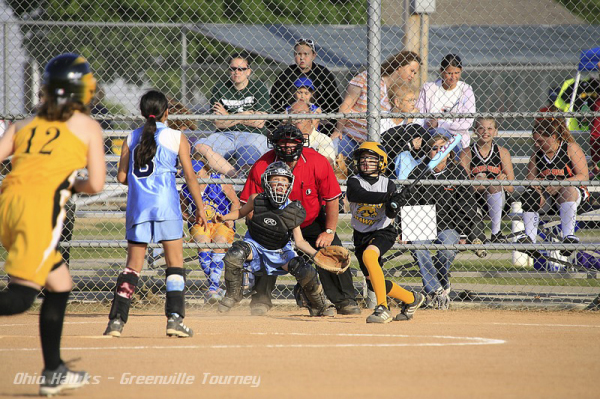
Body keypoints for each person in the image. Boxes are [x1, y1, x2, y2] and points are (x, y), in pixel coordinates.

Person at [0, 53, 105, 395]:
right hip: (38, 212)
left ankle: (53, 371)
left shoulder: (23, 123)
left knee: (59, 283)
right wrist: (72, 185)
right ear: (84, 92)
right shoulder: (88, 126)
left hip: (7, 204)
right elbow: (97, 185)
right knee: (20, 298)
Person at [104, 90, 208, 338]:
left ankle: (116, 322)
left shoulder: (131, 136)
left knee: (132, 267)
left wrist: (143, 183)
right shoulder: (176, 136)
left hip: (138, 206)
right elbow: (190, 177)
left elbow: (121, 176)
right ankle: (174, 319)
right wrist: (200, 208)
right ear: (167, 112)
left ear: (142, 112)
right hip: (166, 206)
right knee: (175, 264)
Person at [239, 124, 359, 315]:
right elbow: (249, 203)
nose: (288, 146)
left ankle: (344, 300)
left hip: (310, 221)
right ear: (274, 144)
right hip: (276, 222)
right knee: (265, 246)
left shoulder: (317, 161)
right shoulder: (263, 164)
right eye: (283, 143)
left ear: (301, 143)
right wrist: (260, 230)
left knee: (331, 249)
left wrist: (329, 231)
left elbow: (332, 198)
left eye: (292, 142)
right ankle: (260, 299)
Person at [216, 161, 335, 317]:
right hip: (255, 246)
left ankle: (319, 305)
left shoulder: (292, 209)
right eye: (275, 180)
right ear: (267, 182)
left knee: (305, 270)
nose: (280, 184)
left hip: (279, 251)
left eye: (284, 181)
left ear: (289, 185)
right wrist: (224, 217)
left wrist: (317, 255)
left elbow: (299, 241)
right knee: (235, 253)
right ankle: (233, 295)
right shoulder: (256, 199)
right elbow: (240, 213)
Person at [347, 142, 425, 323]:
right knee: (372, 282)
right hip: (361, 234)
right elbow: (359, 195)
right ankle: (411, 299)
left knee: (369, 256)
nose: (366, 163)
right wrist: (387, 198)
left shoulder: (388, 184)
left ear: (381, 162)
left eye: (371, 159)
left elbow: (390, 212)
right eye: (363, 159)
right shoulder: (353, 181)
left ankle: (382, 308)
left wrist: (395, 203)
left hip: (383, 231)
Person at [406, 134, 485, 309]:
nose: (439, 152)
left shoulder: (457, 173)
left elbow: (466, 204)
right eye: (435, 148)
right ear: (428, 152)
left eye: (444, 148)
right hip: (422, 224)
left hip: (449, 225)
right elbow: (409, 202)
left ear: (449, 153)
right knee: (419, 245)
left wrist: (464, 232)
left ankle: (439, 280)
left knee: (447, 248)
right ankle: (436, 291)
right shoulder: (419, 172)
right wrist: (405, 230)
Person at [517, 117, 589, 256]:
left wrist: (560, 184)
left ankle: (568, 238)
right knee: (530, 195)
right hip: (548, 197)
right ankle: (529, 240)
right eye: (535, 141)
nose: (536, 145)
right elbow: (530, 179)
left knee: (566, 190)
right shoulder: (536, 155)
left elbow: (583, 176)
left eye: (540, 141)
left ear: (553, 137)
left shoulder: (569, 148)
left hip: (573, 195)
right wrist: (537, 185)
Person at [332, 50, 422, 157]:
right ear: (400, 66)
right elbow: (347, 105)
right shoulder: (367, 78)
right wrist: (338, 129)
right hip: (351, 136)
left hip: (378, 144)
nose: (412, 76)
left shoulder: (402, 94)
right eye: (411, 70)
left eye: (415, 73)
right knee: (330, 151)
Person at [194, 53, 270, 177]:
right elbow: (218, 123)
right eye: (233, 68)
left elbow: (259, 122)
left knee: (248, 154)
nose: (237, 72)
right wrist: (244, 115)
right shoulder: (220, 88)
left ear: (248, 71)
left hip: (252, 135)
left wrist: (228, 115)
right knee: (199, 147)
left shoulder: (258, 87)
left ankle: (245, 180)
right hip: (224, 135)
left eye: (241, 69)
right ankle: (236, 175)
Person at [180, 158, 239, 303]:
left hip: (221, 221)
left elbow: (236, 202)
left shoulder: (219, 181)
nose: (195, 176)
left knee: (219, 243)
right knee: (203, 244)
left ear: (206, 170)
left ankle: (213, 288)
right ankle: (215, 288)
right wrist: (192, 219)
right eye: (191, 173)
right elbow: (182, 210)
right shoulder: (186, 187)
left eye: (197, 172)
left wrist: (229, 218)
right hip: (201, 224)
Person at [460, 117, 515, 242]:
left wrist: (482, 182)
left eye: (490, 128)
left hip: (500, 202)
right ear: (474, 130)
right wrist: (493, 181)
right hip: (474, 201)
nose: (485, 132)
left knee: (494, 186)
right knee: (493, 184)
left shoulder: (502, 152)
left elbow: (511, 187)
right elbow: (463, 186)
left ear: (495, 131)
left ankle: (496, 233)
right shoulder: (467, 152)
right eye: (481, 128)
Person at [270, 38, 342, 135]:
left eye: (306, 54)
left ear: (313, 55)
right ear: (294, 55)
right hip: (290, 122)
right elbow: (275, 103)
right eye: (298, 54)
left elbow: (335, 103)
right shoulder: (285, 75)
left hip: (320, 123)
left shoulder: (323, 74)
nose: (302, 58)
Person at [417, 54, 476, 154]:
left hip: (456, 137)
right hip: (431, 135)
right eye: (449, 73)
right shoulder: (429, 88)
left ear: (461, 70)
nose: (453, 77)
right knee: (438, 133)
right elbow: (419, 115)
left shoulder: (466, 90)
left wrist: (439, 124)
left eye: (457, 73)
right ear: (441, 71)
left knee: (441, 132)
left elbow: (467, 123)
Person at [380, 83, 429, 177]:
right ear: (397, 102)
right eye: (410, 100)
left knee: (404, 156)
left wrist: (410, 121)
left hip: (412, 162)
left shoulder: (417, 118)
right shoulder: (382, 118)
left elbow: (415, 150)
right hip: (387, 162)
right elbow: (384, 148)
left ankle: (402, 187)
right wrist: (408, 143)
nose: (413, 103)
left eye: (414, 99)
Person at [287, 100, 336, 167]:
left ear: (310, 116)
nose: (298, 117)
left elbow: (328, 164)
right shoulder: (285, 140)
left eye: (302, 113)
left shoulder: (323, 139)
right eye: (294, 113)